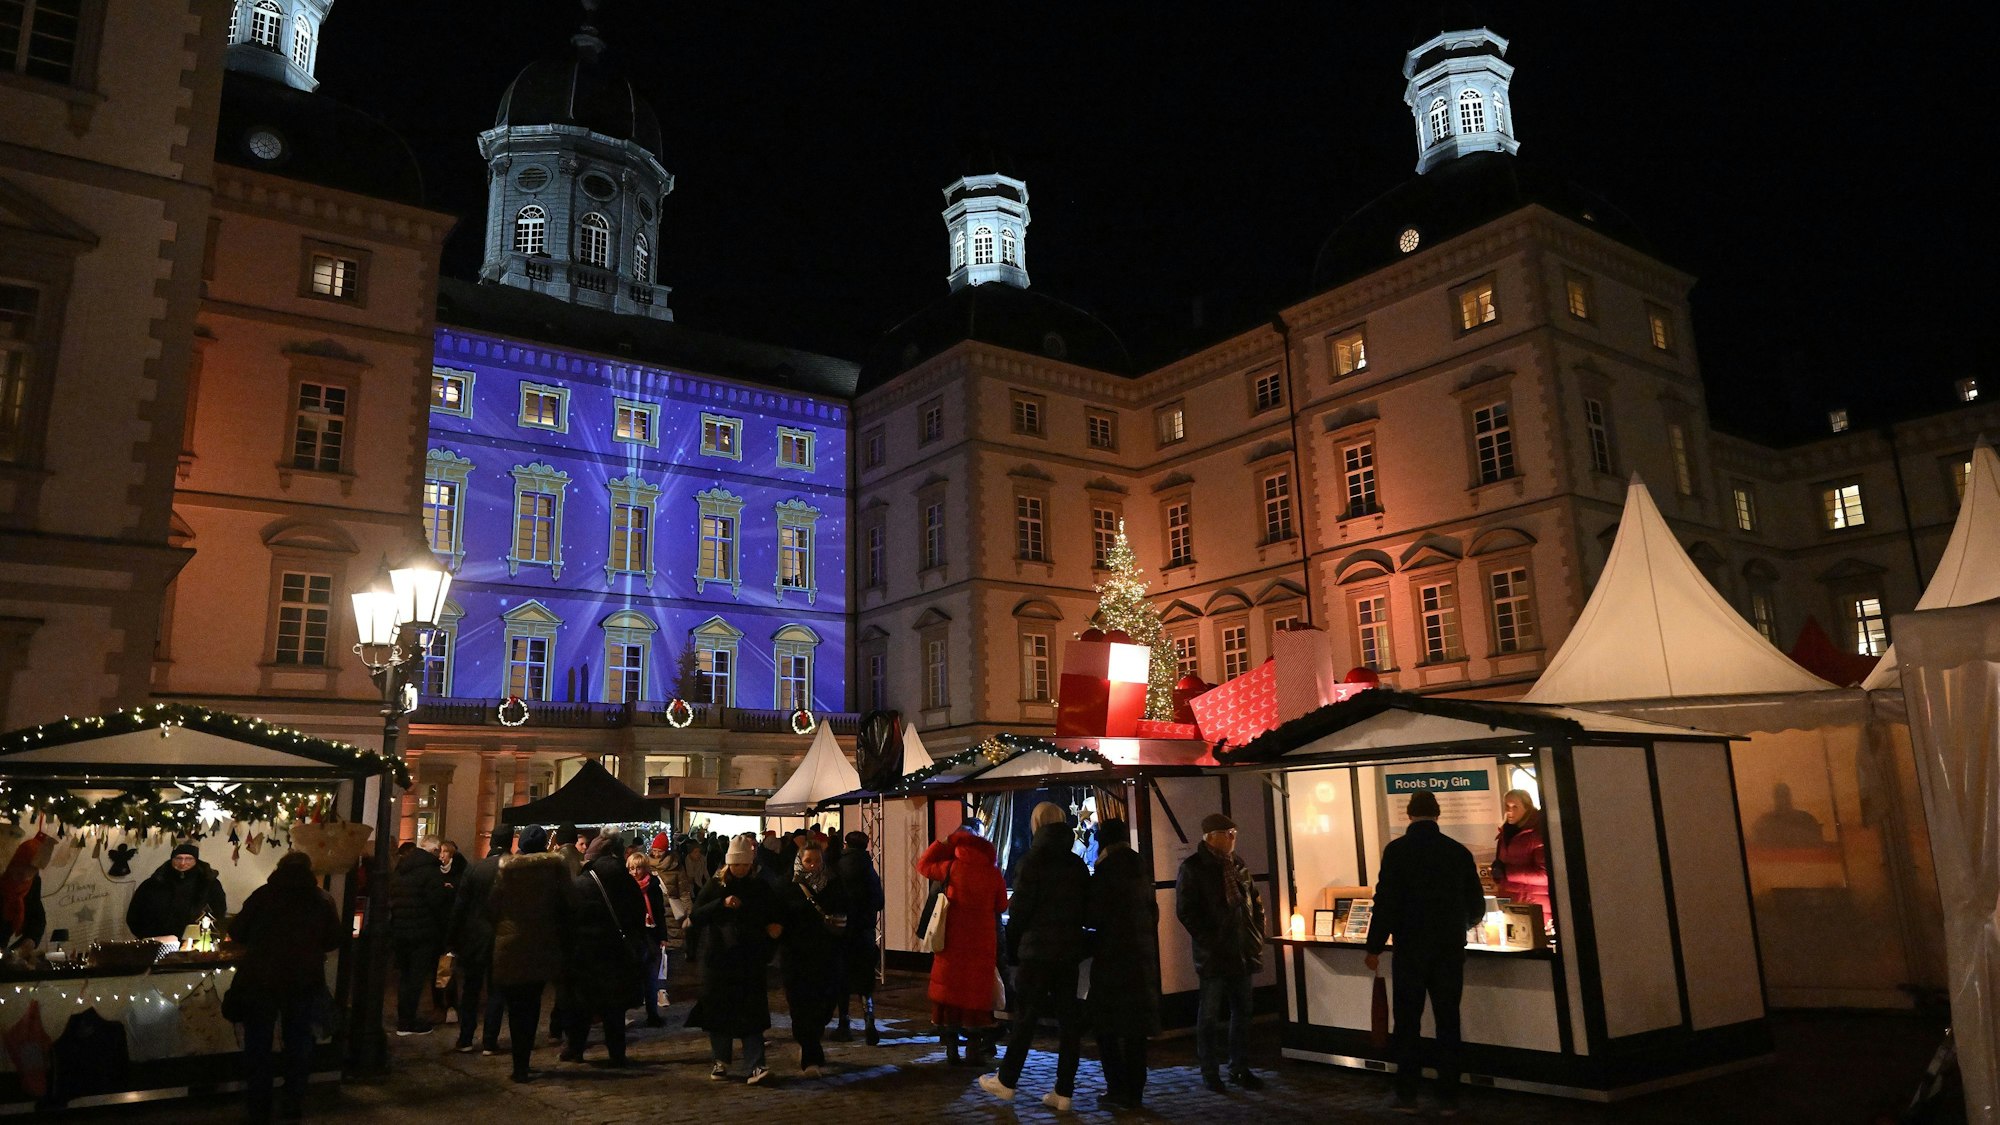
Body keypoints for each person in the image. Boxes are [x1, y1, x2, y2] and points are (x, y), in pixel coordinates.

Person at [1365, 790, 1486, 1116]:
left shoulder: (1397, 851)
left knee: (1407, 1022)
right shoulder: (1457, 852)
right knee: (1448, 1020)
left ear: (1409, 814)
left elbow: (1386, 901)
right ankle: (1449, 1096)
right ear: (1437, 814)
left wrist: (1374, 945)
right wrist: (1461, 924)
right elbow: (1477, 905)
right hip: (1448, 950)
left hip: (1410, 950)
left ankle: (1406, 1094)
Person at [981, 802, 1090, 1112]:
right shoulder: (1075, 864)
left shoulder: (1032, 861)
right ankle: (1064, 1091)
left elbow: (1020, 912)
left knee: (1026, 1018)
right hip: (1068, 951)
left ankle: (1007, 1080)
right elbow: (1085, 907)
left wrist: (1013, 948)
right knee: (1069, 1022)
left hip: (1037, 950)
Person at [228, 851, 339, 1124]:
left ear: (279, 868)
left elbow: (238, 931)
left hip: (261, 979)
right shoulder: (321, 899)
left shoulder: (263, 895)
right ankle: (293, 1101)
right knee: (299, 1042)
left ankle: (259, 1105)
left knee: (258, 1043)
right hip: (303, 980)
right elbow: (333, 938)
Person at [1175, 812, 1266, 1093]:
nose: (1233, 838)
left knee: (1242, 1012)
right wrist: (1210, 939)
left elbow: (1254, 902)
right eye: (1229, 834)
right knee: (1210, 1016)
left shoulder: (1237, 864)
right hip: (1214, 954)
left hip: (1241, 950)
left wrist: (1256, 934)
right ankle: (1210, 1071)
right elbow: (1186, 911)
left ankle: (1239, 1067)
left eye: (1234, 833)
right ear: (1212, 836)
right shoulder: (1193, 868)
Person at [687, 835, 782, 1085]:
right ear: (729, 864)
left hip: (749, 959)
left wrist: (773, 930)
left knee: (751, 1014)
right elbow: (696, 915)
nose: (741, 869)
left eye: (745, 864)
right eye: (736, 865)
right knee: (719, 1012)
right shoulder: (716, 885)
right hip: (719, 959)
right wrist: (721, 903)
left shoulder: (759, 885)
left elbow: (772, 913)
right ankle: (720, 1060)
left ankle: (756, 1065)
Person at [916, 820, 1007, 1067]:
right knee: (976, 996)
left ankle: (952, 1048)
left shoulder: (950, 868)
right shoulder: (992, 872)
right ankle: (974, 1049)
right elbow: (1001, 905)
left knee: (951, 992)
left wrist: (943, 843)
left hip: (952, 940)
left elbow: (923, 864)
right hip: (981, 942)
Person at [488, 824, 573, 1083]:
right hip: (541, 944)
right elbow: (569, 905)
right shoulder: (556, 870)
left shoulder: (507, 871)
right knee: (532, 1003)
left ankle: (519, 1064)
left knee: (515, 1007)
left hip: (511, 946)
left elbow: (492, 907)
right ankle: (523, 1062)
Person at [1089, 818, 1159, 1110]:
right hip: (1141, 960)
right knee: (1135, 1032)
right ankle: (1135, 1092)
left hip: (1112, 960)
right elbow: (1152, 914)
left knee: (1105, 1027)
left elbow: (1094, 916)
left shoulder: (1105, 873)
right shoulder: (1140, 869)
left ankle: (1117, 1087)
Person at [562, 835, 646, 1066]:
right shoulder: (626, 880)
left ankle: (576, 1048)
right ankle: (617, 1053)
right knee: (614, 1007)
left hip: (586, 952)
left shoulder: (583, 882)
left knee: (582, 1004)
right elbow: (638, 913)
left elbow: (569, 917)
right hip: (617, 951)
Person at [778, 840, 848, 1077]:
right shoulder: (787, 885)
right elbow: (779, 914)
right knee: (800, 1006)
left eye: (817, 861)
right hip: (795, 955)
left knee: (823, 1006)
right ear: (800, 860)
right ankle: (810, 1054)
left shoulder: (834, 882)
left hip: (825, 954)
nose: (813, 866)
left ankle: (811, 1044)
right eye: (808, 861)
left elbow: (845, 910)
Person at [449, 826, 511, 1055]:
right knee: (496, 991)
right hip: (502, 935)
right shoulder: (513, 867)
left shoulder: (475, 868)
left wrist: (452, 937)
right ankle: (489, 1041)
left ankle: (465, 1038)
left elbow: (460, 905)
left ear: (492, 842)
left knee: (471, 989)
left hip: (474, 936)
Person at [390, 836, 453, 1035]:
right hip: (423, 932)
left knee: (405, 977)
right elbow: (437, 903)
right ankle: (409, 1021)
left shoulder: (401, 869)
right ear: (434, 850)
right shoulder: (430, 872)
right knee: (416, 978)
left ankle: (403, 1018)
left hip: (401, 930)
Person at [831, 830, 885, 1044]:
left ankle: (844, 1024)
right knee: (865, 979)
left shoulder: (837, 866)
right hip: (864, 932)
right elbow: (879, 902)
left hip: (843, 931)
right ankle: (869, 1019)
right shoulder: (869, 869)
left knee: (842, 978)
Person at [126, 842, 228, 942]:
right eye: (178, 858)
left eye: (188, 859)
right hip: (158, 941)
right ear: (172, 859)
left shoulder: (209, 884)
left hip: (196, 943)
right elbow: (134, 914)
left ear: (196, 860)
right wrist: (147, 936)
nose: (183, 863)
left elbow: (219, 912)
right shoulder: (154, 883)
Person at [626, 850, 670, 1026]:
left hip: (650, 934)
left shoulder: (653, 885)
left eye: (638, 868)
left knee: (651, 976)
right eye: (632, 869)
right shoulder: (626, 887)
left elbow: (659, 912)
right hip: (634, 935)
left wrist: (663, 936)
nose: (635, 872)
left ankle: (652, 1013)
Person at [1490, 789, 1551, 917]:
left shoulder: (1537, 833)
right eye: (1507, 806)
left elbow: (1545, 875)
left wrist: (1507, 872)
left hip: (1534, 904)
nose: (1509, 811)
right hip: (1510, 903)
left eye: (1515, 806)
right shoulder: (1505, 832)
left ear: (1527, 808)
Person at [434, 839, 466, 1021]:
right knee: (439, 967)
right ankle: (441, 1004)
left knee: (447, 965)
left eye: (445, 852)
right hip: (439, 926)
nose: (441, 855)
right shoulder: (436, 872)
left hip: (451, 926)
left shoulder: (460, 871)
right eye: (440, 852)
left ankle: (450, 1004)